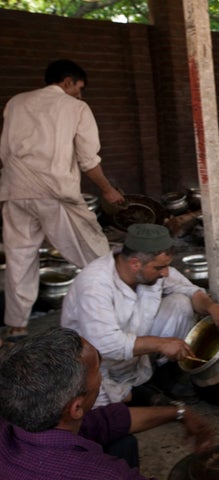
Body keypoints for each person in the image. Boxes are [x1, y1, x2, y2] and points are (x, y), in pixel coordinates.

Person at [0, 59, 125, 342]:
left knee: (20, 258)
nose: (81, 95)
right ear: (67, 81)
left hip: (15, 192)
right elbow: (88, 159)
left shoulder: (16, 103)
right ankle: (116, 308)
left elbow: (4, 151)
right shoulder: (76, 108)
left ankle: (17, 326)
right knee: (95, 252)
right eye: (79, 88)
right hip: (55, 193)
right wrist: (107, 190)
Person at [61, 223, 219, 407]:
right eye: (159, 268)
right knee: (93, 404)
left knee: (179, 303)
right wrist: (161, 344)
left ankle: (164, 377)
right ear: (135, 264)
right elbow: (105, 344)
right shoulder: (94, 285)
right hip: (98, 366)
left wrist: (212, 308)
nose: (165, 273)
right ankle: (135, 392)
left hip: (135, 355)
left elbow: (190, 291)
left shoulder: (149, 269)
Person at [0, 327, 213, 479]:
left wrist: (179, 413)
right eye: (97, 371)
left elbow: (104, 421)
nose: (102, 376)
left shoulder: (23, 419)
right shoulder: (103, 474)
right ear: (75, 407)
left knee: (123, 443)